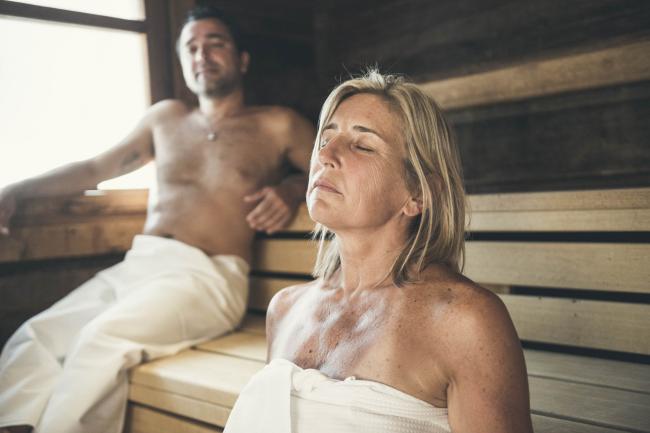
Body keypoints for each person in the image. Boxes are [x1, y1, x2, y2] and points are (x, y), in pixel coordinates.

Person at [0, 5, 314, 433]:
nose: (202, 54)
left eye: (215, 43)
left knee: (100, 341)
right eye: (191, 47)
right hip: (140, 266)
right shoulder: (165, 119)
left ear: (241, 59)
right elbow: (96, 168)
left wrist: (291, 188)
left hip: (206, 277)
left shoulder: (277, 124)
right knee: (36, 337)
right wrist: (15, 191)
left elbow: (327, 170)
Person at [224, 71, 534, 433]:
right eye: (326, 138)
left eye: (362, 145)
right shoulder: (285, 310)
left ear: (417, 194)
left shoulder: (463, 322)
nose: (324, 154)